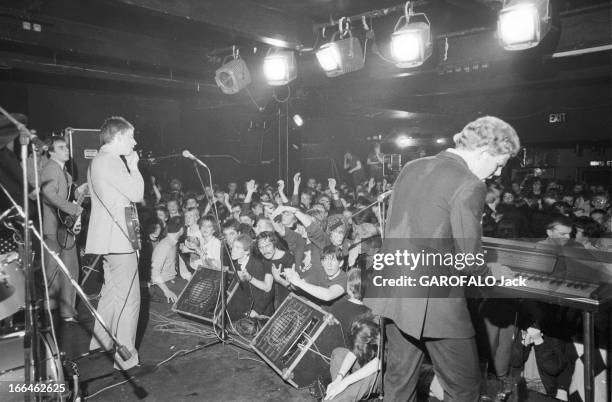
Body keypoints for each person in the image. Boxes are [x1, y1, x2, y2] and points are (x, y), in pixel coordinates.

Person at [364, 116, 520, 401]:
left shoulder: (412, 167)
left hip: (395, 291)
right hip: (436, 300)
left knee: (399, 380)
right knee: (465, 389)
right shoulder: (470, 183)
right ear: (485, 151)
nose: (497, 173)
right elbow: (471, 260)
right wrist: (491, 273)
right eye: (498, 164)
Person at [86, 116, 144, 374]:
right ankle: (126, 359)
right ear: (118, 136)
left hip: (105, 240)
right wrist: (134, 166)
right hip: (120, 240)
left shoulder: (96, 161)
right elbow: (137, 194)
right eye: (130, 136)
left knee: (111, 293)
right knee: (129, 300)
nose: (134, 141)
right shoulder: (113, 161)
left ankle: (100, 342)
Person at [40, 136, 86, 323]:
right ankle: (55, 312)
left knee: (64, 270)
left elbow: (65, 195)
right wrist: (75, 209)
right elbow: (49, 195)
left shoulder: (64, 172)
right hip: (55, 228)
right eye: (61, 147)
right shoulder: (51, 168)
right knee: (59, 271)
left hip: (63, 227)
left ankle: (60, 311)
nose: (66, 150)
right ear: (51, 151)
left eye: (66, 147)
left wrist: (79, 192)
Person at [324, 315, 381, 401]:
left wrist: (344, 383)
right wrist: (339, 379)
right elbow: (354, 352)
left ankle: (337, 398)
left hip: (382, 374)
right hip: (370, 364)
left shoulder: (388, 335)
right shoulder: (370, 323)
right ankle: (340, 393)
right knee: (338, 353)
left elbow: (377, 364)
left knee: (344, 392)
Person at [149, 216, 191, 303]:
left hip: (172, 280)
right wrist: (166, 291)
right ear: (181, 230)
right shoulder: (165, 246)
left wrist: (191, 279)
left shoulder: (172, 243)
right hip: (161, 285)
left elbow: (180, 265)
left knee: (195, 290)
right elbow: (154, 272)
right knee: (190, 296)